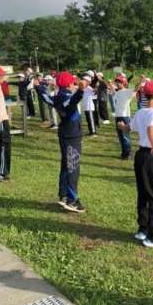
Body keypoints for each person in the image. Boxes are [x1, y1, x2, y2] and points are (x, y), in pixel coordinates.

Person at [118, 81, 153, 248]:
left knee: (143, 193)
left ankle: (143, 228)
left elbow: (129, 128)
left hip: (141, 155)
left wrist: (122, 126)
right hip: (152, 156)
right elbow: (150, 130)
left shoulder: (140, 111)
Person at [35, 72, 86, 213]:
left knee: (66, 164)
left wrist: (38, 87)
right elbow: (73, 101)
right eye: (73, 83)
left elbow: (46, 98)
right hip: (71, 136)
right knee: (73, 166)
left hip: (65, 134)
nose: (74, 84)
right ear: (69, 84)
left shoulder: (57, 97)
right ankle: (72, 200)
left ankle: (63, 195)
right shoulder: (67, 97)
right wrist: (80, 91)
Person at [113, 74, 137, 159]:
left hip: (124, 116)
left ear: (124, 83)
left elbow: (135, 90)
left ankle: (127, 153)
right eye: (116, 82)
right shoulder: (118, 92)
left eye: (119, 82)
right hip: (118, 116)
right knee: (120, 136)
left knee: (125, 135)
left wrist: (140, 83)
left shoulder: (127, 91)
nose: (117, 83)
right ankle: (124, 153)